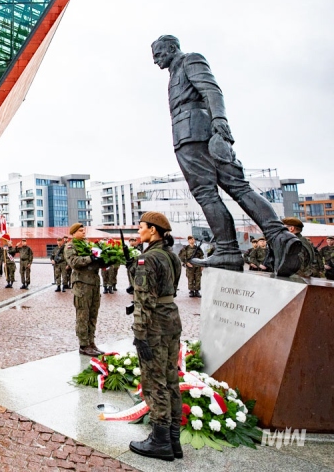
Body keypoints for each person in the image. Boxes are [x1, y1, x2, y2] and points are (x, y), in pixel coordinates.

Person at [151, 35, 301, 276]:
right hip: (201, 132)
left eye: (159, 54)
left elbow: (212, 90)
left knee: (205, 192)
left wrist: (220, 121)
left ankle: (228, 249)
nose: (156, 61)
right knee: (239, 187)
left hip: (194, 134)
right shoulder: (174, 72)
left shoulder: (190, 60)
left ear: (172, 48)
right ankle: (279, 236)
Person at [127, 212, 183, 462]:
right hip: (172, 320)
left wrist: (140, 335)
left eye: (141, 228)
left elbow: (143, 301)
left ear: (152, 230)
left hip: (154, 326)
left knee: (154, 380)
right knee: (171, 379)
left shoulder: (147, 259)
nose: (138, 232)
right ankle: (173, 440)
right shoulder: (172, 256)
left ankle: (160, 441)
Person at [64, 223, 104, 356]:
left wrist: (102, 259)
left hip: (94, 284)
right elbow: (74, 262)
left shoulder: (89, 245)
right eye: (81, 231)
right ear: (74, 233)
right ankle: (83, 344)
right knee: (83, 316)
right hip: (81, 285)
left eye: (84, 230)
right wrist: (90, 258)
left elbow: (95, 261)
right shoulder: (70, 246)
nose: (83, 232)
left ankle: (91, 342)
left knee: (93, 315)